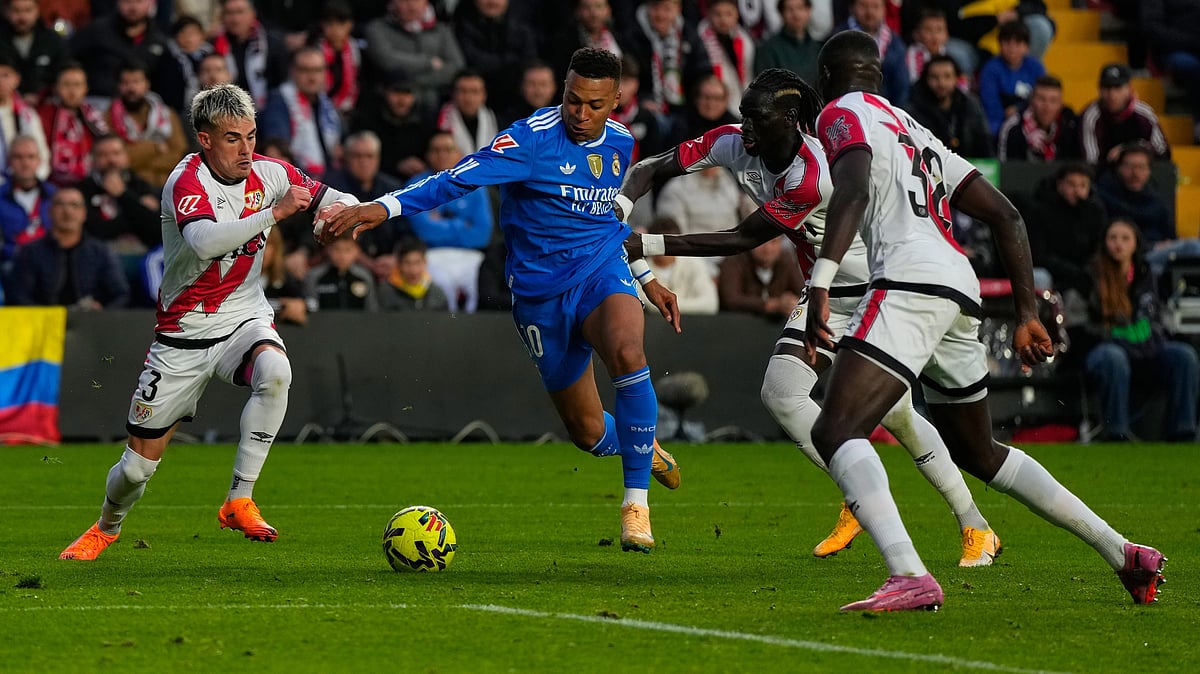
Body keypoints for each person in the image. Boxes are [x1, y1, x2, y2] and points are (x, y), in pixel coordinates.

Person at [804, 30, 1163, 611]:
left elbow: (851, 186)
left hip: (907, 280)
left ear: (827, 81)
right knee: (979, 452)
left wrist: (821, 283)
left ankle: (909, 574)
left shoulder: (840, 114)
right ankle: (1123, 551)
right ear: (879, 74)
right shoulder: (911, 125)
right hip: (959, 286)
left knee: (833, 429)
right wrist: (1025, 312)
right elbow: (1006, 214)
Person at [621, 67, 1002, 565]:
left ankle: (975, 526)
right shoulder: (735, 143)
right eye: (743, 117)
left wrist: (643, 242)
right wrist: (620, 205)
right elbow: (653, 166)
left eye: (757, 119)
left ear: (792, 119)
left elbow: (744, 237)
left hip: (875, 287)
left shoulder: (814, 174)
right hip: (826, 292)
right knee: (781, 393)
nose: (746, 129)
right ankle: (858, 491)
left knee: (899, 414)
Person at [320, 48, 681, 552]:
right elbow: (455, 178)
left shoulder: (621, 144)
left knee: (627, 352)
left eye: (594, 105)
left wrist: (644, 277)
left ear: (616, 100)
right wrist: (385, 207)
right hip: (539, 297)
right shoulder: (529, 140)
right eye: (572, 100)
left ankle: (635, 506)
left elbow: (610, 221)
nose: (581, 114)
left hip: (600, 272)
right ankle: (645, 446)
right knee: (587, 431)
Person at [58, 83, 360, 561]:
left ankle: (239, 498)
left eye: (252, 136)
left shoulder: (271, 172)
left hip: (243, 318)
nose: (247, 149)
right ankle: (106, 527)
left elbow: (325, 194)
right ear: (204, 139)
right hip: (182, 336)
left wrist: (351, 212)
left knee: (277, 373)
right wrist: (274, 213)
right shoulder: (186, 181)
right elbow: (202, 243)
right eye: (233, 138)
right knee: (136, 470)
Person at [1085, 218, 1199, 442]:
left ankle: (1183, 431)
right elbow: (1080, 325)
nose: (1118, 244)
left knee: (1183, 356)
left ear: (1136, 244)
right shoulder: (1090, 276)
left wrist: (1152, 335)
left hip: (1146, 349)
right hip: (1104, 349)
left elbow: (1162, 317)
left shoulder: (1149, 276)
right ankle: (1116, 432)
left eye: (1125, 238)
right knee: (1114, 357)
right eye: (1113, 238)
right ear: (1104, 242)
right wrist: (1111, 335)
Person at [405, 131, 495, 313]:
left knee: (481, 296)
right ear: (428, 155)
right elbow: (425, 231)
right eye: (436, 150)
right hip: (432, 255)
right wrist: (463, 225)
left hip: (472, 256)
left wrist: (443, 224)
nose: (442, 154)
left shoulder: (475, 185)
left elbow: (483, 234)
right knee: (443, 303)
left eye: (448, 149)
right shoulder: (417, 184)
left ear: (459, 153)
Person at [9, 186, 129, 308]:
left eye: (75, 205)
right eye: (60, 205)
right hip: (43, 323)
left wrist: (101, 312)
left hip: (91, 322)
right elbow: (20, 296)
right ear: (49, 212)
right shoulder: (30, 252)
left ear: (84, 213)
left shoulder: (101, 252)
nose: (68, 211)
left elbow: (121, 294)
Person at [363, 0, 464, 116]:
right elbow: (387, 61)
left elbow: (456, 67)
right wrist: (429, 63)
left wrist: (411, 80)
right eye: (405, 1)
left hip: (436, 100)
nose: (412, 6)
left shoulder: (441, 30)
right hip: (388, 103)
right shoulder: (377, 28)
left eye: (417, 0)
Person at [261, 47, 344, 180]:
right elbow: (278, 149)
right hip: (297, 179)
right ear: (293, 71)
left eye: (317, 70)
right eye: (305, 70)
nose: (312, 77)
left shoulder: (326, 105)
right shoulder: (280, 100)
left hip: (330, 177)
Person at [106, 60, 189, 190]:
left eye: (137, 82)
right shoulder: (108, 118)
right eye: (126, 83)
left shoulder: (167, 115)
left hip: (168, 185)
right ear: (118, 86)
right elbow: (120, 160)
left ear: (147, 84)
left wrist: (143, 161)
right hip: (129, 187)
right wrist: (155, 148)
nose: (132, 88)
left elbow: (179, 155)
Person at [67, 0, 170, 99]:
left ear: (151, 3)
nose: (133, 7)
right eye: (127, 1)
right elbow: (68, 57)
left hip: (142, 104)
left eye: (139, 1)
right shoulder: (96, 31)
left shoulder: (159, 39)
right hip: (99, 101)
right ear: (118, 3)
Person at [1081, 64, 1170, 167]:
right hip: (1107, 175)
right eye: (1106, 88)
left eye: (1118, 88)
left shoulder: (1144, 113)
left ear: (1129, 88)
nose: (1112, 95)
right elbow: (1091, 162)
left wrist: (1128, 150)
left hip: (1144, 175)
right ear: (1099, 90)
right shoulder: (1091, 116)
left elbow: (1163, 152)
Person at [38, 60, 109, 187]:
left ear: (85, 88)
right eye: (66, 85)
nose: (72, 91)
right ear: (56, 88)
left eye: (77, 85)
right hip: (52, 183)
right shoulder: (43, 116)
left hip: (92, 183)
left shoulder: (93, 117)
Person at [905, 55, 991, 158]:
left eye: (947, 76)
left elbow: (984, 144)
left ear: (956, 79)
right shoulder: (914, 110)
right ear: (926, 80)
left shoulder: (970, 105)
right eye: (934, 77)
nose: (941, 83)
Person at [210, 0, 289, 109]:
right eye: (229, 13)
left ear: (253, 14)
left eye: (240, 12)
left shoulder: (271, 44)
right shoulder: (213, 45)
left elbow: (282, 81)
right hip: (225, 107)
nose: (235, 19)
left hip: (266, 107)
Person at [1095, 142, 1174, 248]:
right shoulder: (1104, 198)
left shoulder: (1157, 201)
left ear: (1149, 171)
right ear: (1119, 168)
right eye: (1130, 167)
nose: (1135, 173)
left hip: (1158, 253)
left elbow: (1171, 236)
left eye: (1141, 167)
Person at [632, 217, 717, 315]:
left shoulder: (694, 264)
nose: (665, 248)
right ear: (649, 243)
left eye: (670, 243)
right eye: (659, 244)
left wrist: (672, 306)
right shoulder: (639, 269)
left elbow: (710, 304)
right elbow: (647, 306)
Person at [978, 20, 1045, 138]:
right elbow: (990, 104)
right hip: (999, 123)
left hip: (1031, 121)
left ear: (1027, 47)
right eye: (1007, 42)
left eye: (1018, 43)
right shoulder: (990, 69)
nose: (1012, 48)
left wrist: (1019, 109)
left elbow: (1043, 97)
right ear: (999, 44)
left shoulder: (1036, 67)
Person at [996, 75, 1081, 162]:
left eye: (1053, 100)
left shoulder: (1069, 126)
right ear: (1032, 101)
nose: (1047, 107)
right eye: (1041, 99)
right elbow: (1004, 170)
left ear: (1060, 105)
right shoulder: (1012, 127)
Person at [0, 134, 54, 264]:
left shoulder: (56, 196)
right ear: (9, 161)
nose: (25, 163)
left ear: (39, 160)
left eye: (30, 157)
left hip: (50, 265)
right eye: (18, 157)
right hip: (10, 264)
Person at [697, 0, 755, 119]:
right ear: (709, 14)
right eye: (718, 14)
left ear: (737, 15)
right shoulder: (700, 39)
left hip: (740, 102)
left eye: (728, 14)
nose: (723, 19)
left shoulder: (744, 40)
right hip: (713, 105)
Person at [0, 0, 67, 102]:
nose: (22, 17)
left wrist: (41, 96)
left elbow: (63, 74)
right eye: (16, 10)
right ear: (6, 11)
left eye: (28, 10)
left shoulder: (53, 40)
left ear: (37, 11)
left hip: (46, 105)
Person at [754, 0, 822, 86]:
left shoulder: (818, 48)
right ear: (781, 13)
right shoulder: (767, 50)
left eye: (800, 8)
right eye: (789, 9)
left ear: (809, 11)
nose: (796, 15)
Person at [304, 234, 379, 311]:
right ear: (328, 250)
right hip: (325, 322)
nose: (342, 255)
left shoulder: (364, 277)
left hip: (358, 322)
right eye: (337, 249)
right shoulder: (315, 276)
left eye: (347, 250)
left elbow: (372, 310)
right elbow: (311, 310)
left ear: (357, 251)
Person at [377, 236, 451, 311]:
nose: (413, 270)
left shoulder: (437, 293)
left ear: (425, 262)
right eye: (407, 263)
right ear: (399, 264)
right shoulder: (386, 293)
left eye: (417, 262)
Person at [436, 70, 497, 156]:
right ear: (453, 94)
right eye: (463, 91)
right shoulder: (438, 122)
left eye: (474, 91)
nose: (468, 98)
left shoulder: (495, 120)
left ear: (484, 95)